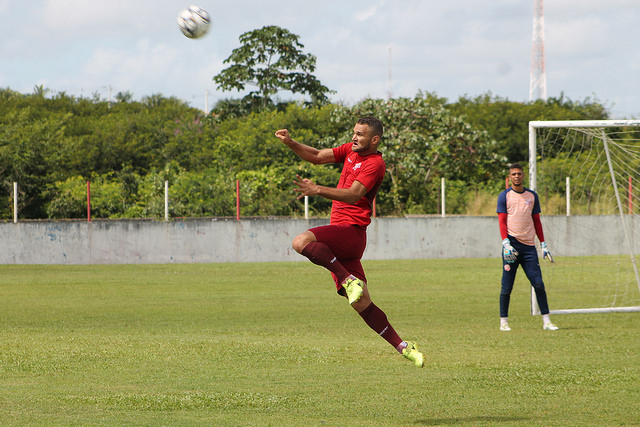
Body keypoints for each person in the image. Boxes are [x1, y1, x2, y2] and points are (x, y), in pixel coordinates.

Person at [274, 117, 425, 367]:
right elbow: (316, 155)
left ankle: (347, 278)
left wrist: (318, 189)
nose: (354, 138)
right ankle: (405, 347)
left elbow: (355, 195)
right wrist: (290, 143)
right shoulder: (349, 151)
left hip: (351, 231)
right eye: (354, 133)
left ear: (374, 139)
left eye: (360, 134)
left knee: (300, 241)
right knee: (362, 302)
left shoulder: (375, 163)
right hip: (341, 238)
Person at [497, 163, 559, 332]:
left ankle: (546, 321)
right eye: (513, 174)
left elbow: (537, 221)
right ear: (509, 177)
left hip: (529, 248)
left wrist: (543, 243)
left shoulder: (532, 196)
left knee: (538, 284)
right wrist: (505, 242)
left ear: (523, 176)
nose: (516, 176)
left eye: (519, 173)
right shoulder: (504, 196)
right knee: (507, 286)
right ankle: (504, 322)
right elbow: (502, 221)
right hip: (512, 246)